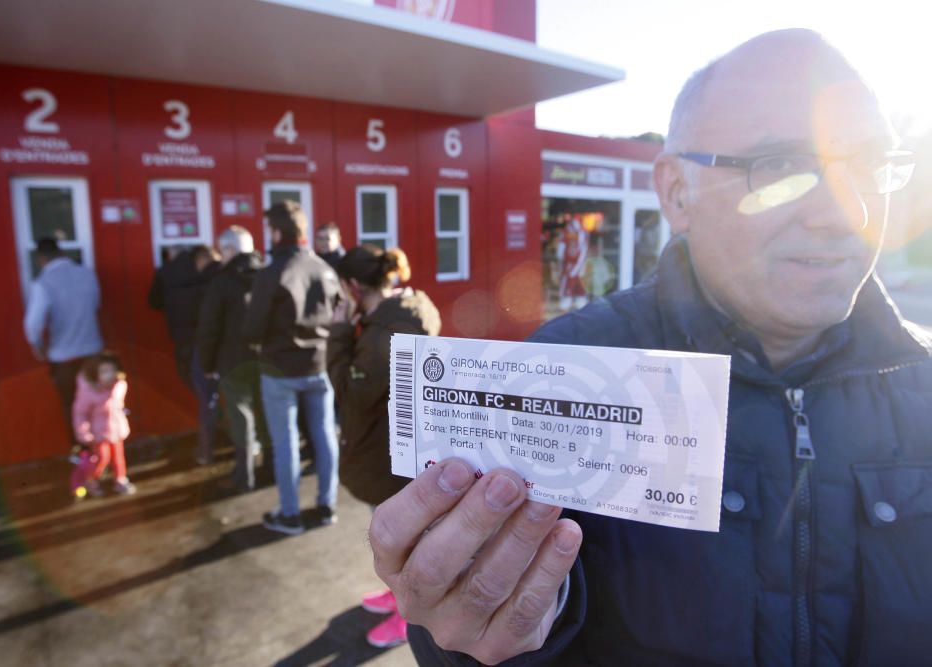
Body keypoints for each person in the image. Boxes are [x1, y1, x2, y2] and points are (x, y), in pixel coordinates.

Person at [371, 29, 932, 665]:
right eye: (781, 167)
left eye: (869, 166)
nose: (844, 212)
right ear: (675, 193)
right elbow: (476, 622)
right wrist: (480, 637)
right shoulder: (563, 373)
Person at [326, 245, 441, 648]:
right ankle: (397, 598)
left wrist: (339, 333)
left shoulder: (382, 335)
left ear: (353, 287)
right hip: (400, 450)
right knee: (402, 536)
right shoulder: (407, 310)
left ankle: (410, 621)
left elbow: (353, 394)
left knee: (402, 543)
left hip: (387, 454)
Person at [243, 201, 341, 536]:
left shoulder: (271, 274)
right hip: (319, 366)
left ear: (275, 231)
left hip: (280, 372)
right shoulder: (324, 269)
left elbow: (252, 328)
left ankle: (290, 515)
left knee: (286, 443)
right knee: (325, 435)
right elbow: (341, 312)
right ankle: (327, 505)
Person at [196, 226, 268, 492]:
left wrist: (207, 364)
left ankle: (244, 477)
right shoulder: (267, 275)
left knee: (242, 420)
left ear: (229, 249)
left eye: (221, 249)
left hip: (233, 362)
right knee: (265, 417)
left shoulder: (221, 281)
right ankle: (269, 471)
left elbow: (209, 327)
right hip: (266, 359)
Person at [23, 237, 103, 445]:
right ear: (62, 253)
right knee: (97, 402)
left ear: (41, 259)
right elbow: (96, 303)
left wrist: (37, 345)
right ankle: (102, 448)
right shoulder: (86, 274)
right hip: (93, 350)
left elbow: (33, 323)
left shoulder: (42, 284)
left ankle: (82, 452)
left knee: (73, 405)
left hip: (64, 355)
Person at [148, 244, 222, 464]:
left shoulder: (166, 274)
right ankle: (209, 447)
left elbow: (153, 302)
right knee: (210, 399)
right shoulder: (212, 278)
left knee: (204, 397)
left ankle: (208, 445)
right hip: (208, 346)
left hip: (183, 345)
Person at [71, 351, 134, 497]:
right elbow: (80, 413)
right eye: (104, 371)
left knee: (118, 457)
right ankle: (91, 479)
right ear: (94, 374)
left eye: (112, 370)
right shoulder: (89, 393)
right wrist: (84, 433)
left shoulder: (119, 385)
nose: (109, 375)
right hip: (98, 433)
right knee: (102, 458)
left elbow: (118, 404)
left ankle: (120, 479)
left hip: (116, 429)